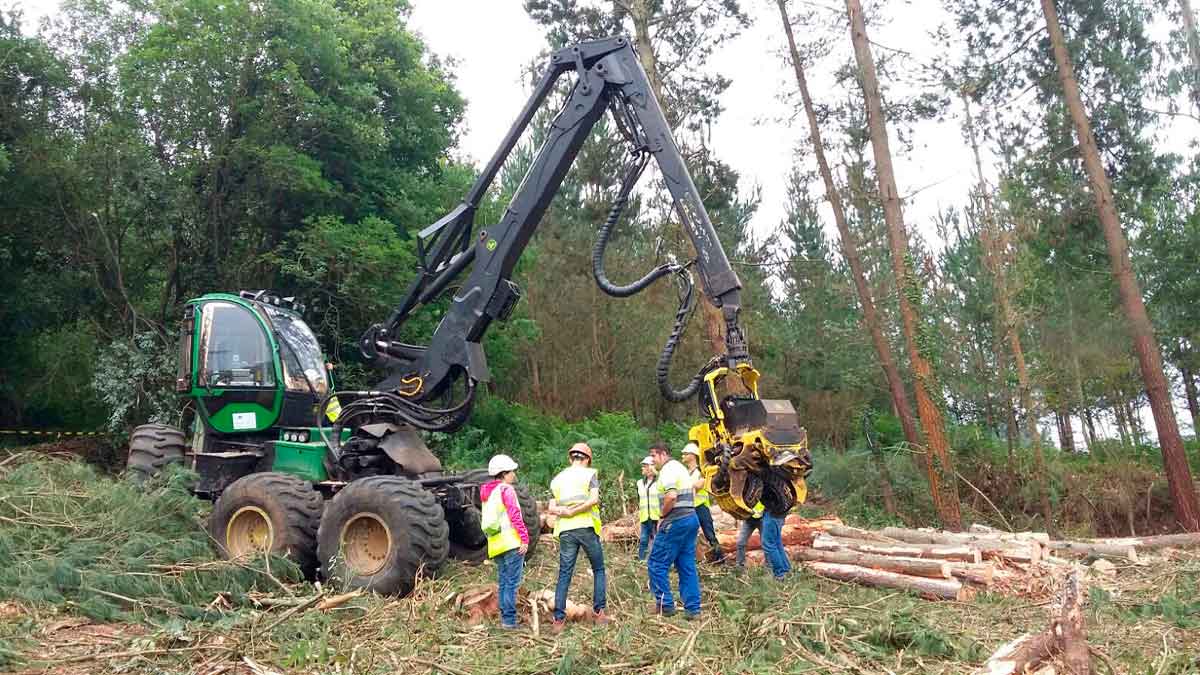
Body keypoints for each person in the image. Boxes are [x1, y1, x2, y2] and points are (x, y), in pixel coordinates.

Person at [548, 442, 607, 632]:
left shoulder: (557, 479)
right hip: (586, 528)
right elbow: (593, 500)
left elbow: (551, 508)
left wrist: (564, 512)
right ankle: (599, 613)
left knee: (565, 572)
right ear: (588, 459)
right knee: (598, 569)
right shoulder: (590, 474)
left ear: (570, 458)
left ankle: (558, 619)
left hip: (565, 530)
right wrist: (575, 512)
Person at [646, 441, 701, 619]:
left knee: (656, 563)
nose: (652, 460)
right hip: (690, 518)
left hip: (675, 521)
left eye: (654, 456)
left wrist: (662, 516)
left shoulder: (668, 470)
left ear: (663, 454)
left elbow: (671, 496)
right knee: (686, 565)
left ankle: (665, 605)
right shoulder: (679, 468)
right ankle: (693, 609)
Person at [480, 454, 530, 630]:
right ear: (504, 473)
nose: (514, 475)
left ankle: (505, 618)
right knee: (512, 584)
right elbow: (515, 515)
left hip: (496, 545)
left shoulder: (487, 492)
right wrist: (524, 538)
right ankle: (509, 621)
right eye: (512, 472)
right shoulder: (506, 490)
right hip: (511, 543)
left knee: (503, 582)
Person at [681, 443, 725, 563]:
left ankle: (720, 559)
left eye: (685, 453)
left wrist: (690, 487)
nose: (683, 455)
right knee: (689, 536)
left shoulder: (701, 470)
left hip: (701, 507)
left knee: (709, 535)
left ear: (693, 455)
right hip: (689, 508)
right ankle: (696, 559)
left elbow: (699, 485)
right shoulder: (684, 473)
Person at [636, 456, 660, 561]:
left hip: (656, 517)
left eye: (644, 466)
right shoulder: (640, 483)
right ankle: (641, 560)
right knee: (644, 540)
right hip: (645, 517)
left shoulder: (659, 482)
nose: (642, 468)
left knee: (657, 540)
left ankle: (656, 560)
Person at [760, 507, 792, 580]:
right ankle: (785, 569)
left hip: (772, 513)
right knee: (777, 543)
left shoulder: (770, 495)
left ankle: (779, 574)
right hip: (780, 514)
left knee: (768, 545)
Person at [735, 501, 765, 568]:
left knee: (766, 544)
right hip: (749, 519)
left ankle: (769, 566)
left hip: (763, 519)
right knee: (740, 542)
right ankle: (740, 566)